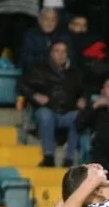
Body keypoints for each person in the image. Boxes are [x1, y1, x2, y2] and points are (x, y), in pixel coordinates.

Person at [19, 40, 87, 168]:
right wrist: (34, 95)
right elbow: (22, 85)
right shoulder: (39, 69)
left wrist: (83, 98)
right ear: (50, 53)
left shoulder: (75, 72)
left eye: (64, 51)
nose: (60, 54)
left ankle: (69, 158)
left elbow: (86, 89)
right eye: (57, 51)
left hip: (68, 111)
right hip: (46, 109)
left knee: (80, 117)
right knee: (46, 115)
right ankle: (48, 156)